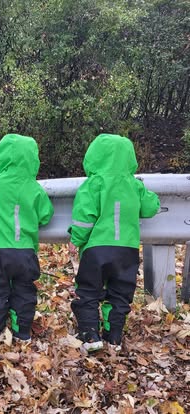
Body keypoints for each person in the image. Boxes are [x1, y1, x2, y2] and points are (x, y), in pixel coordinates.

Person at [68, 133, 160, 352]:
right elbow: (151, 208)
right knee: (119, 294)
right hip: (126, 250)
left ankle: (90, 336)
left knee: (88, 291)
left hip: (97, 250)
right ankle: (114, 338)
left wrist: (75, 239)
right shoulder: (135, 185)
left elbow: (84, 216)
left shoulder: (95, 183)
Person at [0, 133, 54, 343]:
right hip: (25, 252)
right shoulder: (35, 189)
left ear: (2, 157)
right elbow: (46, 215)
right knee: (24, 291)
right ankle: (22, 331)